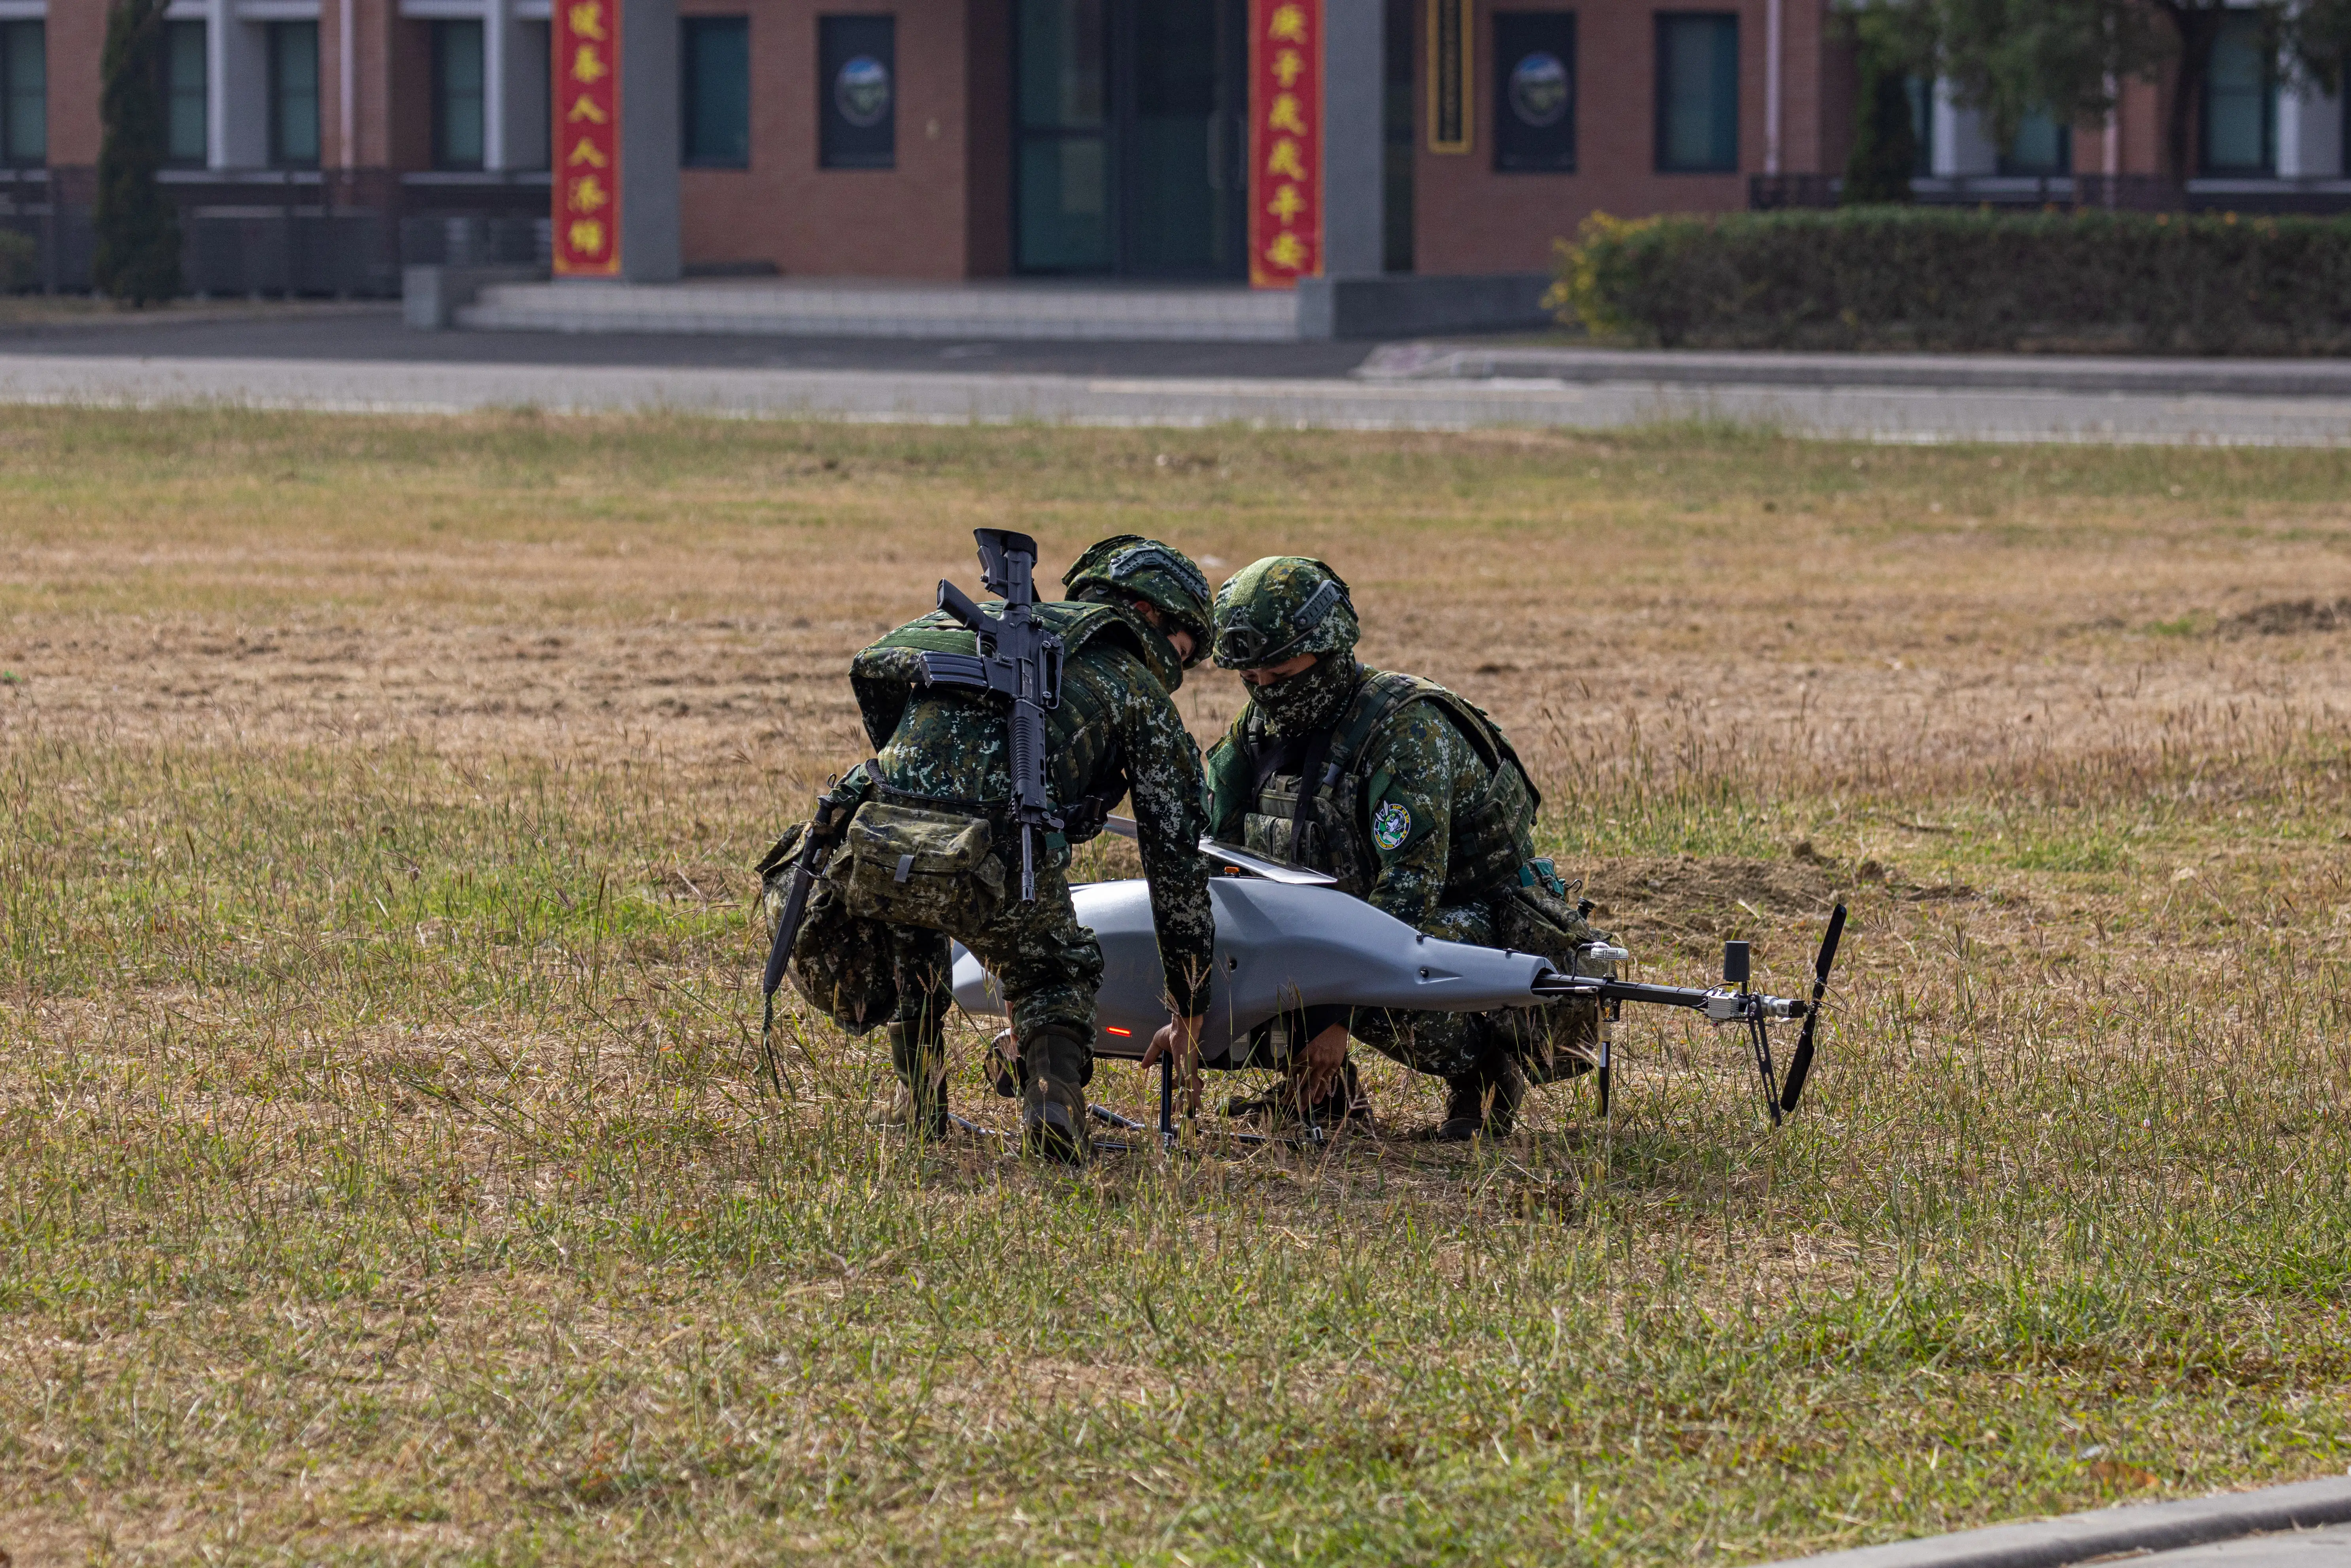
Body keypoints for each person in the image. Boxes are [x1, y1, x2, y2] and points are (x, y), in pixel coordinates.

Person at [768, 533, 1216, 1165]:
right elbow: (1175, 862)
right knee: (1052, 970)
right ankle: (1050, 1105)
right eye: (1182, 649)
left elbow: (877, 664)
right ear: (1150, 615)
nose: (1175, 666)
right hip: (1004, 846)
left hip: (880, 833)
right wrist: (1191, 1003)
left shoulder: (968, 633)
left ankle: (921, 1110)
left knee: (913, 938)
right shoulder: (1135, 686)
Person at [1199, 556, 1608, 1140]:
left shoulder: (1405, 728)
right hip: (1340, 916)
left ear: (1329, 648)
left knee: (1384, 975)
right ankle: (1321, 1091)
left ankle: (1485, 1071)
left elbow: (1409, 894)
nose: (1265, 693)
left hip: (1461, 927)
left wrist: (1334, 1012)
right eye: (1251, 679)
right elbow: (1215, 851)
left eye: (1280, 675)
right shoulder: (1257, 731)